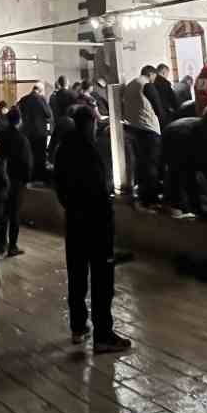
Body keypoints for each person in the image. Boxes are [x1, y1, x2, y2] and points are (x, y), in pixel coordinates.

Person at [52, 105, 131, 354]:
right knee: (101, 280)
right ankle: (103, 334)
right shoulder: (89, 150)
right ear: (90, 124)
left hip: (74, 222)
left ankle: (78, 327)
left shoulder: (63, 150)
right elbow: (98, 188)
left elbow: (60, 187)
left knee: (76, 276)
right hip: (96, 225)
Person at [121, 65, 162, 206]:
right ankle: (151, 198)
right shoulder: (146, 85)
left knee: (140, 163)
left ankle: (142, 195)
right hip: (149, 129)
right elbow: (158, 107)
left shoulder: (131, 85)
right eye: (154, 77)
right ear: (150, 74)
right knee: (151, 164)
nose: (154, 80)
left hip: (134, 128)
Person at [0, 107, 30, 257]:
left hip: (2, 179)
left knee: (2, 214)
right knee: (14, 214)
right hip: (16, 181)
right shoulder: (22, 139)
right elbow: (26, 162)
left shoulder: (0, 136)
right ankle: (13, 245)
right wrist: (26, 180)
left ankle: (1, 244)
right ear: (19, 120)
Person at [18, 83, 53, 183]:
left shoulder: (23, 99)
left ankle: (30, 178)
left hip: (27, 133)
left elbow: (20, 114)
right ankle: (40, 178)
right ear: (40, 90)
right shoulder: (41, 99)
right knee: (40, 156)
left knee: (30, 155)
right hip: (40, 133)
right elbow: (48, 114)